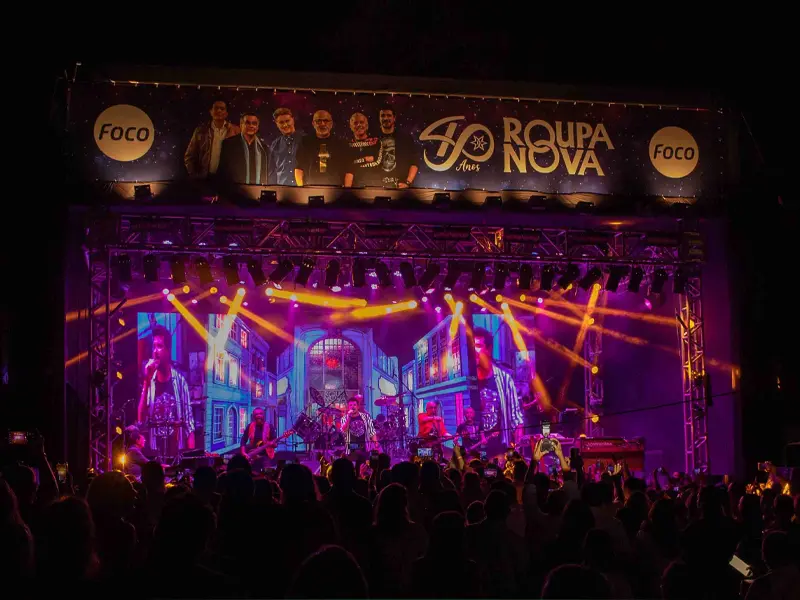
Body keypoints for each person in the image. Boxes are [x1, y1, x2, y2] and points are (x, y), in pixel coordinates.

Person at [137, 325, 195, 456]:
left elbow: (189, 425)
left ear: (168, 350)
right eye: (154, 346)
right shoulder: (150, 381)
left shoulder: (180, 382)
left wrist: (192, 458)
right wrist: (146, 381)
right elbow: (140, 420)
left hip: (175, 451)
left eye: (159, 346)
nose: (155, 351)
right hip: (154, 451)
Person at [472, 327, 523, 453]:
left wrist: (517, 448)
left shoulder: (505, 379)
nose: (474, 351)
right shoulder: (467, 380)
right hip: (474, 449)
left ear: (489, 349)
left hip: (499, 448)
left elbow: (516, 419)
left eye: (478, 346)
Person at [184, 99, 240, 178]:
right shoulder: (200, 131)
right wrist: (195, 176)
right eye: (216, 108)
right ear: (211, 112)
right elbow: (189, 156)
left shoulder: (236, 131)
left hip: (228, 179)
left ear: (226, 113)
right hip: (205, 179)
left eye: (222, 108)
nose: (219, 110)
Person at [294, 109, 351, 186]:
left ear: (331, 124)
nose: (322, 124)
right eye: (318, 121)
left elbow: (348, 170)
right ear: (313, 123)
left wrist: (346, 191)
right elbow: (299, 168)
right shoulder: (305, 142)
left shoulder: (341, 143)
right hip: (310, 188)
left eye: (326, 121)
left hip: (336, 189)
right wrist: (301, 189)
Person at [218, 112, 270, 185]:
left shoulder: (263, 148)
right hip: (234, 189)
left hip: (258, 190)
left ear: (257, 127)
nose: (251, 126)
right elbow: (222, 172)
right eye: (247, 123)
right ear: (241, 125)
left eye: (254, 123)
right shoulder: (229, 144)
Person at [377, 106, 418, 188]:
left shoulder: (405, 138)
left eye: (389, 115)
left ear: (394, 118)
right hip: (376, 187)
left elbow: (414, 162)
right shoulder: (373, 138)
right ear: (379, 118)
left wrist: (407, 183)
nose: (385, 118)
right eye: (383, 115)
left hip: (400, 187)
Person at [344, 112, 384, 187]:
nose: (359, 125)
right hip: (355, 186)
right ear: (351, 126)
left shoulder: (376, 142)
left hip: (375, 184)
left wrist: (356, 162)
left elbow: (377, 161)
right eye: (355, 123)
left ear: (367, 125)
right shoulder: (347, 145)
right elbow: (348, 167)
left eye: (361, 122)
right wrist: (366, 159)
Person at [268, 107, 303, 185]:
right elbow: (271, 171)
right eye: (281, 122)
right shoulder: (275, 144)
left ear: (293, 120)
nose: (285, 125)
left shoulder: (305, 140)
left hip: (303, 189)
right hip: (281, 189)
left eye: (287, 121)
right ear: (276, 124)